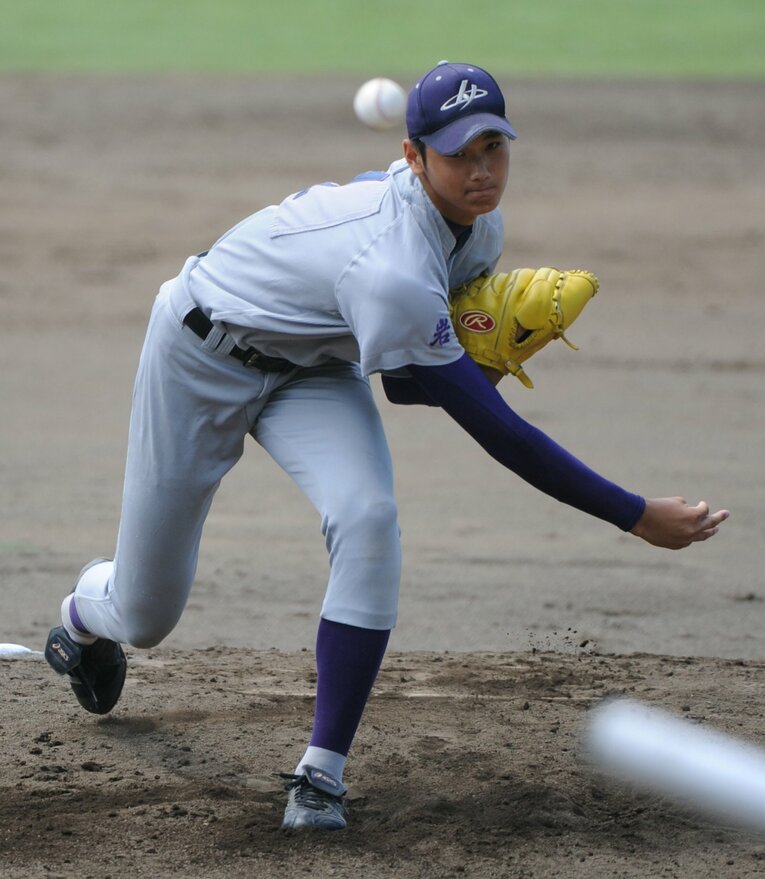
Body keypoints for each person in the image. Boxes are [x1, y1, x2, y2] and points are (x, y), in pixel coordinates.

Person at [44, 61, 729, 831]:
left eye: (493, 148)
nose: (480, 171)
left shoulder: (479, 232)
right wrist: (632, 512)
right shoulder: (394, 270)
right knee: (145, 614)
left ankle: (319, 776)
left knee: (368, 519)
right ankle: (82, 615)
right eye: (457, 154)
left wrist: (479, 358)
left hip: (311, 368)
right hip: (199, 355)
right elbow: (489, 428)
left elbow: (407, 381)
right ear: (413, 157)